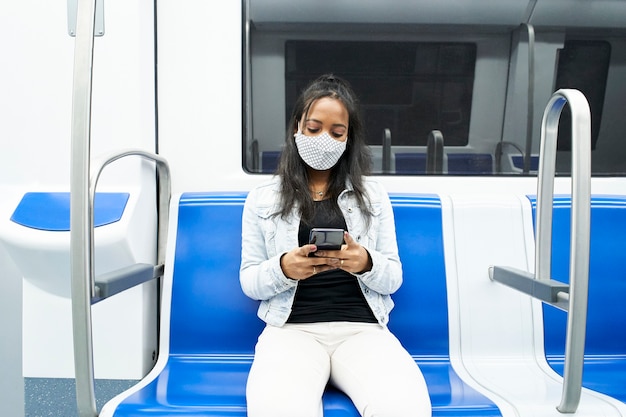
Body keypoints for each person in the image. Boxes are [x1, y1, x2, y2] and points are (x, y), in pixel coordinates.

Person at [240, 74, 432, 417]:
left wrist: (365, 263)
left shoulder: (373, 198)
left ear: (348, 139)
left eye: (336, 132)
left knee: (406, 408)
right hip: (290, 331)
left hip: (362, 330)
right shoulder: (262, 200)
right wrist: (284, 268)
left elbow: (394, 278)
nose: (323, 139)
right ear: (296, 127)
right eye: (313, 129)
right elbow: (250, 281)